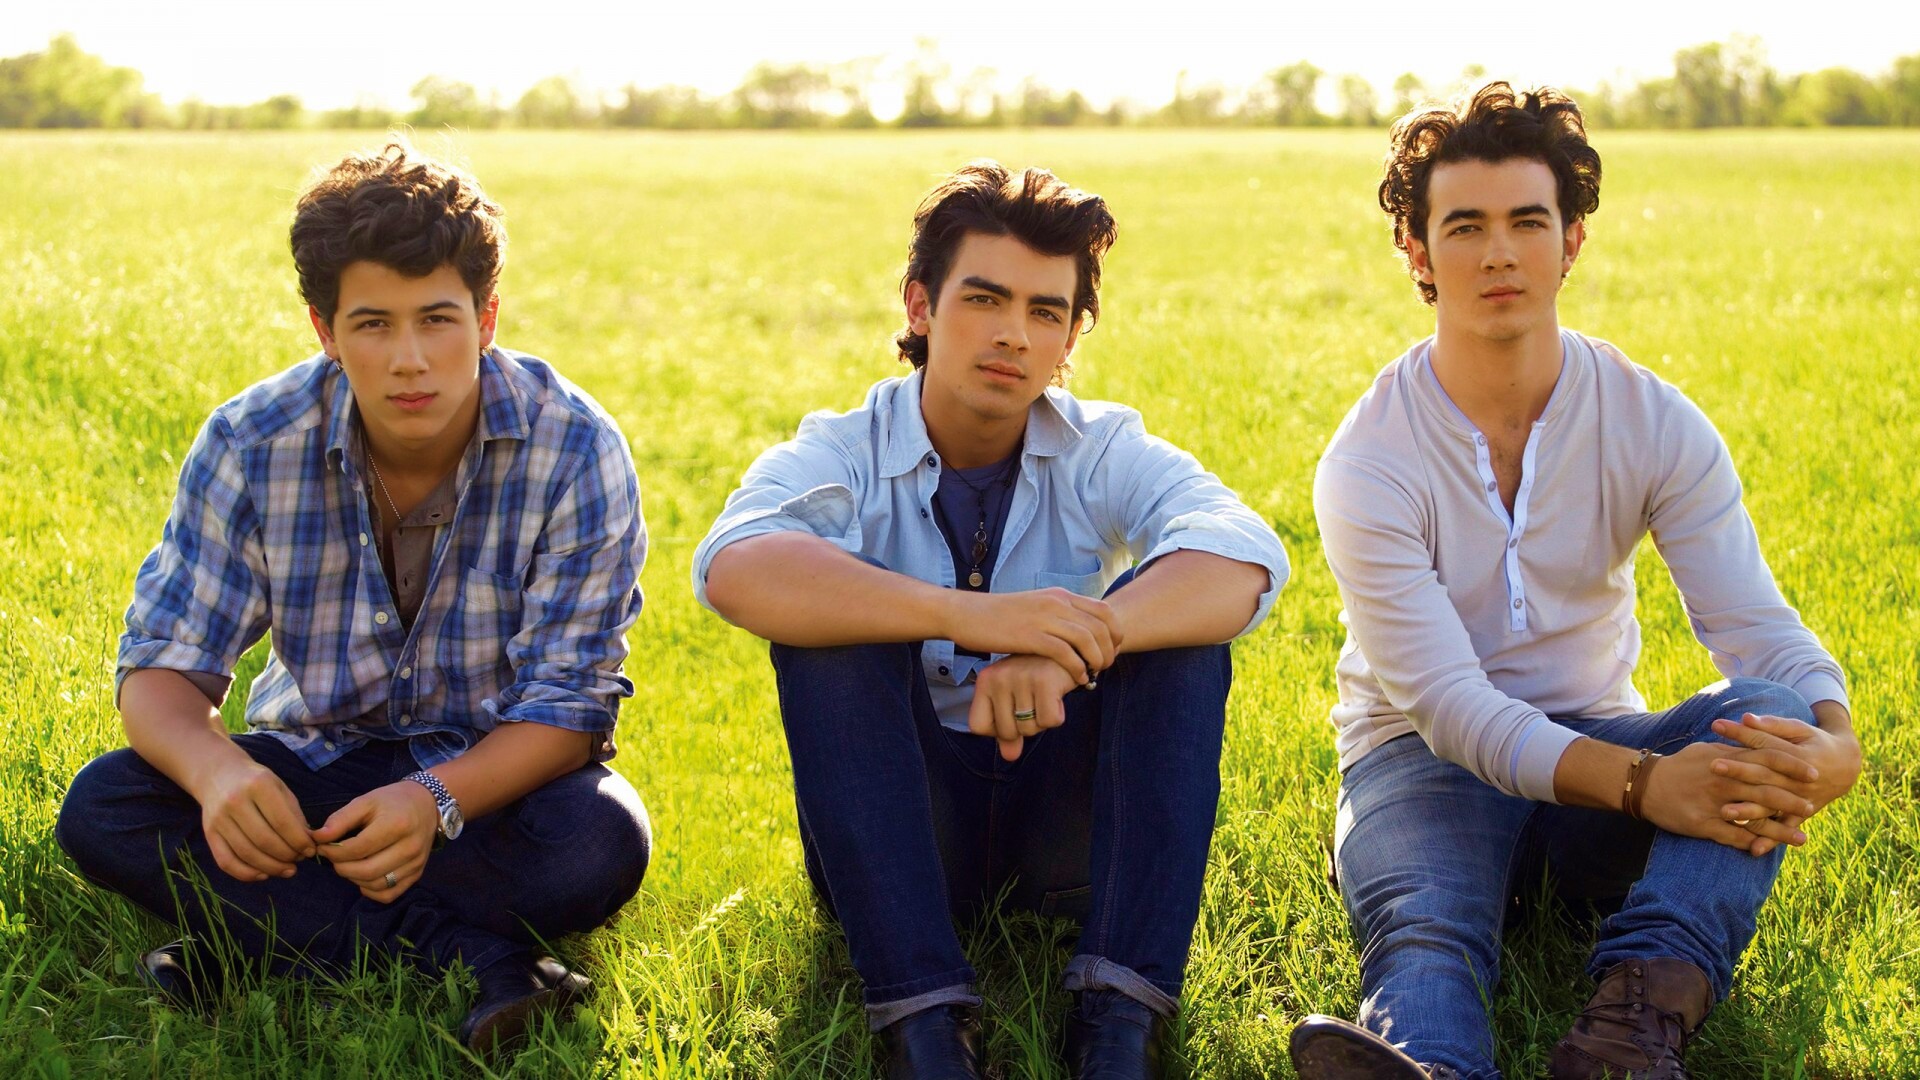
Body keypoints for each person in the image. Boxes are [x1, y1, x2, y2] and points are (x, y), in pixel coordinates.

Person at [1287, 84, 1862, 1080]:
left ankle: (1632, 1028)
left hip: (1592, 765)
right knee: (1427, 929)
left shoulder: (1653, 421)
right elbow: (1450, 708)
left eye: (1527, 222)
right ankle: (1428, 1064)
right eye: (1464, 227)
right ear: (1417, 252)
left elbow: (1753, 625)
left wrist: (1836, 741)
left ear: (1572, 241)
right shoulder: (1368, 458)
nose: (1499, 253)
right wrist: (1648, 786)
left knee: (1767, 716)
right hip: (1421, 763)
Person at [693, 161, 1289, 1079]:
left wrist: (1071, 648)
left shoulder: (1100, 446)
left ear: (1071, 335)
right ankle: (924, 1025)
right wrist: (980, 618)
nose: (1014, 334)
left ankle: (1119, 1023)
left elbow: (1243, 555)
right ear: (920, 305)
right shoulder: (844, 447)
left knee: (1180, 642)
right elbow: (736, 564)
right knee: (831, 636)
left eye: (1046, 312)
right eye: (984, 299)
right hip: (899, 834)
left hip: (1065, 834)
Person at [54, 141, 652, 1054]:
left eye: (438, 319)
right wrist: (219, 775)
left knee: (599, 840)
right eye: (373, 324)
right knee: (106, 807)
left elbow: (569, 710)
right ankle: (471, 954)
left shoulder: (574, 446)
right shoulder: (252, 442)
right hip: (314, 775)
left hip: (486, 783)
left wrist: (433, 798)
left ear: (487, 319)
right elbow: (163, 668)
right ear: (324, 330)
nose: (410, 360)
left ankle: (257, 940)